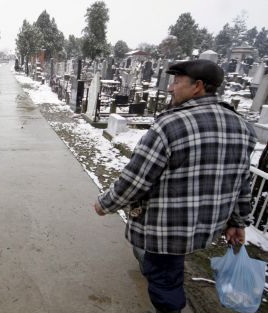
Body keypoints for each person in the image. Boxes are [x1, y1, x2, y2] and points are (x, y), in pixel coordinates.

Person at [93, 59, 257, 313]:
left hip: (167, 228)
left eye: (177, 82)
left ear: (197, 86)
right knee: (164, 269)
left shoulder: (169, 125)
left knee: (164, 279)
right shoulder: (241, 126)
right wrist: (237, 221)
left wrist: (106, 204)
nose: (170, 88)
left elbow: (136, 179)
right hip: (206, 224)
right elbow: (241, 179)